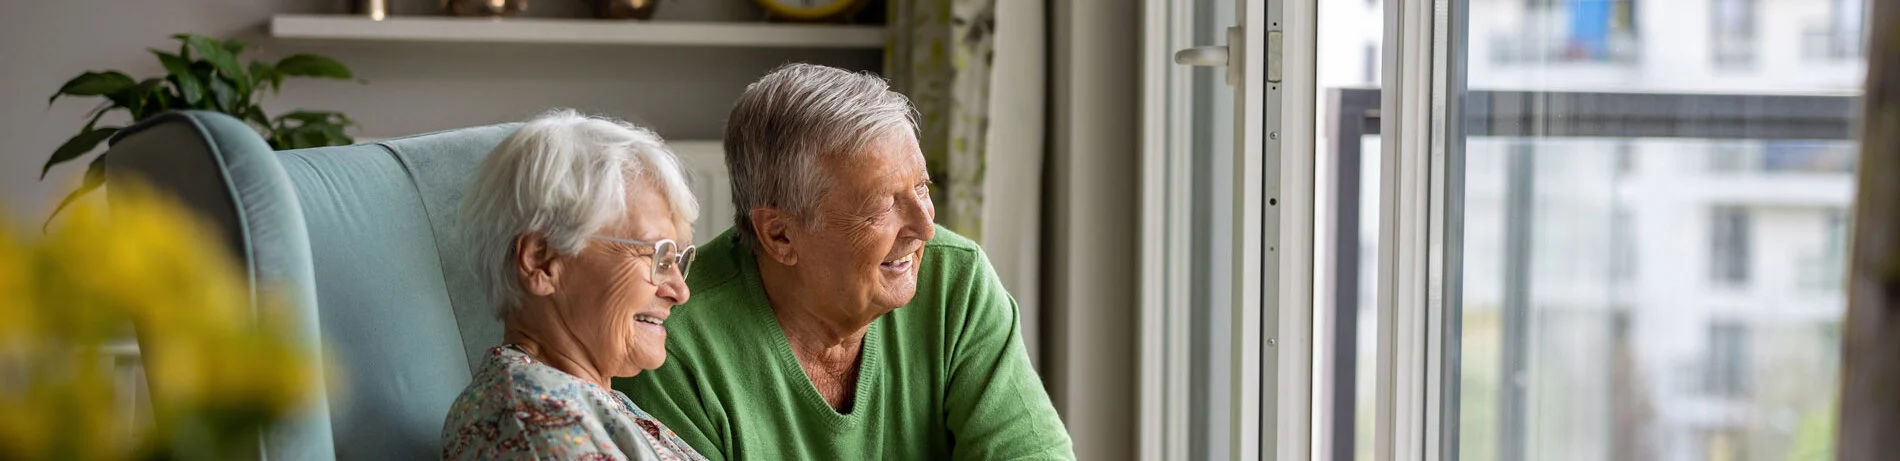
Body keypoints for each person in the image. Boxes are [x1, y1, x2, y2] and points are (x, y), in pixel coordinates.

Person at [618, 64, 1075, 460]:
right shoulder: (676, 343)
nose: (924, 228)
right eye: (881, 206)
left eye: (922, 189)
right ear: (780, 234)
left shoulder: (957, 282)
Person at [442, 109, 708, 461]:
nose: (679, 290)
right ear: (542, 260)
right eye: (657, 255)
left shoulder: (588, 397)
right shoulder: (536, 426)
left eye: (677, 260)